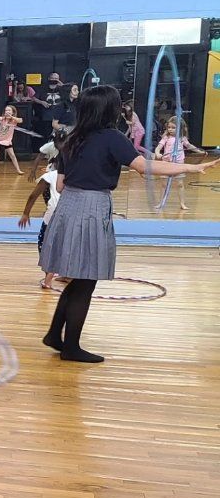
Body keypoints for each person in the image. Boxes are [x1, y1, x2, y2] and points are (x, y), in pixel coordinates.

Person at [40, 85, 218, 363]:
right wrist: (191, 167)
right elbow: (145, 167)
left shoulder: (73, 138)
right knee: (86, 279)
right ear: (109, 109)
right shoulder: (111, 137)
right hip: (91, 207)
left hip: (68, 207)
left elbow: (61, 186)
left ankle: (55, 335)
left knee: (79, 277)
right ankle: (71, 346)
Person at [18, 136, 66, 290]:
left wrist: (26, 214)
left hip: (52, 214)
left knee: (44, 243)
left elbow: (33, 195)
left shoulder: (49, 175)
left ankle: (48, 277)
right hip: (70, 213)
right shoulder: (74, 174)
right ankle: (69, 273)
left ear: (51, 164)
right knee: (66, 243)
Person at [154, 119, 205, 211]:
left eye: (173, 128)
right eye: (169, 127)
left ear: (180, 129)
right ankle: (161, 202)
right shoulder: (166, 138)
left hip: (179, 164)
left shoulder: (182, 138)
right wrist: (157, 153)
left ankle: (182, 204)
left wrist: (200, 151)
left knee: (180, 184)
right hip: (167, 163)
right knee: (164, 184)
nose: (170, 129)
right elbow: (158, 147)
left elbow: (189, 146)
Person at [0, 104, 24, 173]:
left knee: (12, 155)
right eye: (6, 110)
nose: (7, 111)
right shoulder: (2, 118)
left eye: (9, 110)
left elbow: (20, 120)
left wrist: (11, 117)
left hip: (7, 140)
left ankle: (18, 170)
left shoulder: (14, 120)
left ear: (13, 112)